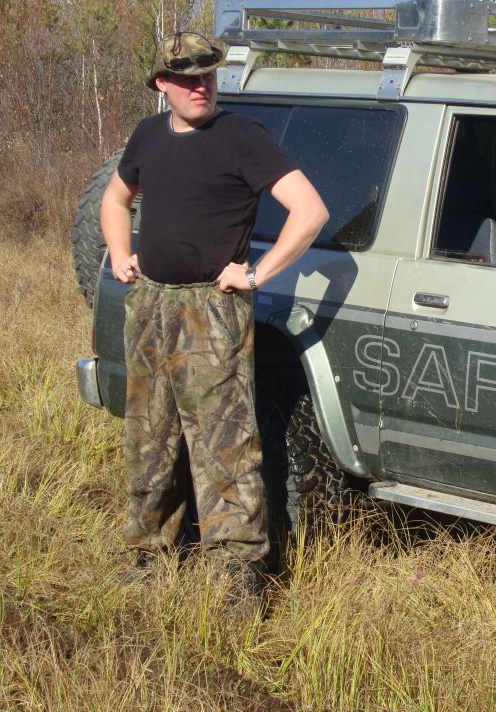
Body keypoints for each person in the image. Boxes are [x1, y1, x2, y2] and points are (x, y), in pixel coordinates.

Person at [100, 31, 329, 592]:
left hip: (211, 309)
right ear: (162, 84)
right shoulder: (147, 135)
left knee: (224, 444)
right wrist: (121, 253)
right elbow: (115, 198)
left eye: (207, 74)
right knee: (149, 439)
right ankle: (150, 556)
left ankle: (237, 573)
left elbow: (310, 210)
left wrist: (254, 274)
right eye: (186, 78)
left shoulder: (241, 138)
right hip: (150, 303)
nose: (200, 85)